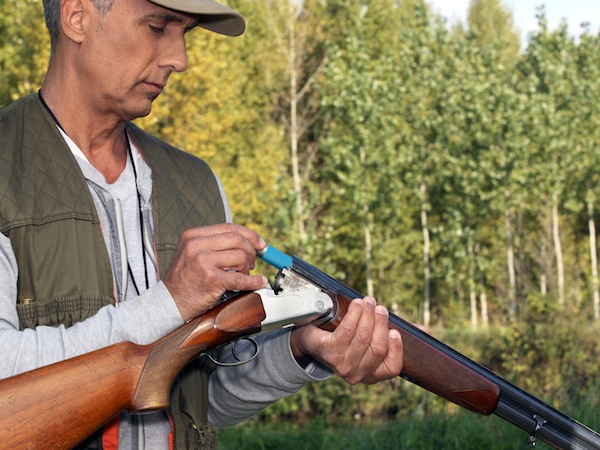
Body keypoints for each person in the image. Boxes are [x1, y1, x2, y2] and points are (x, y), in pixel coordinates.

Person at [0, 0, 403, 448]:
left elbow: (198, 396)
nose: (181, 60)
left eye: (186, 34)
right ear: (77, 17)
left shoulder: (197, 184)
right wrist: (169, 303)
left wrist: (302, 349)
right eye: (157, 27)